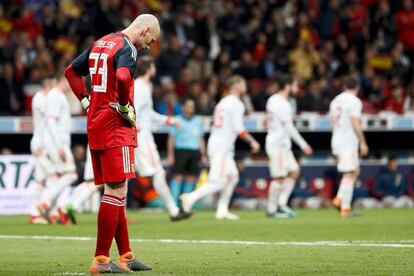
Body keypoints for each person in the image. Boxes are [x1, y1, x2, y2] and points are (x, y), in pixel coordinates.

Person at [65, 14, 160, 274]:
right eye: (151, 40)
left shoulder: (101, 42)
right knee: (116, 192)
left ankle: (126, 255)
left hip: (96, 123)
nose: (148, 46)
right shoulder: (126, 47)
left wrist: (85, 101)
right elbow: (121, 76)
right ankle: (101, 259)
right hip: (116, 127)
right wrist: (123, 105)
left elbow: (71, 72)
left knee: (118, 191)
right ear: (145, 30)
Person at [181, 75, 261, 220]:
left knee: (233, 177)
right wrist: (253, 142)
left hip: (219, 142)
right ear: (236, 86)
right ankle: (191, 197)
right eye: (243, 83)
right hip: (222, 146)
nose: (245, 86)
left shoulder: (223, 102)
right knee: (219, 181)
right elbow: (239, 128)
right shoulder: (236, 103)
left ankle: (222, 210)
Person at [133, 56, 188, 221]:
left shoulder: (144, 86)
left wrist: (168, 120)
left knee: (119, 176)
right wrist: (133, 125)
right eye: (153, 67)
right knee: (157, 172)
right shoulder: (140, 87)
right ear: (148, 69)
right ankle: (173, 210)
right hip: (141, 137)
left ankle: (173, 210)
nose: (155, 69)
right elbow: (132, 108)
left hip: (140, 136)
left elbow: (147, 112)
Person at [265, 75, 313, 218]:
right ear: (287, 86)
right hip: (277, 144)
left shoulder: (275, 100)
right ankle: (271, 209)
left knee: (294, 171)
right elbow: (289, 127)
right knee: (279, 177)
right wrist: (304, 145)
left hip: (283, 145)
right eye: (295, 85)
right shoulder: (282, 103)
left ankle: (282, 203)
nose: (297, 89)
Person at [36, 73, 78, 224]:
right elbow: (51, 122)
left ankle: (52, 210)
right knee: (71, 174)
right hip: (56, 143)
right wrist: (59, 146)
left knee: (60, 177)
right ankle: (44, 201)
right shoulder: (55, 96)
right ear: (64, 80)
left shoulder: (58, 95)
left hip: (57, 142)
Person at [330, 76, 369, 218]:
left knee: (354, 171)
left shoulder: (335, 101)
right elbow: (355, 123)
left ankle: (343, 205)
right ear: (357, 88)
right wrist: (363, 142)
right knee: (350, 172)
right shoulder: (354, 101)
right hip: (348, 141)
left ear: (344, 86)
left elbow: (333, 123)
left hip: (337, 139)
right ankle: (341, 202)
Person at [167, 98, 207, 204]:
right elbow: (171, 139)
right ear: (183, 107)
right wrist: (170, 155)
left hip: (194, 151)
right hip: (181, 150)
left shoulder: (198, 121)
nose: (190, 108)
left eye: (192, 107)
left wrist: (203, 154)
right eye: (188, 106)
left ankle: (185, 203)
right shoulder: (176, 120)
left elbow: (200, 138)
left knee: (191, 178)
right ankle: (173, 203)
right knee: (177, 177)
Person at [29, 77, 55, 224]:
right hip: (41, 143)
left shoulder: (39, 97)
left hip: (41, 141)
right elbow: (46, 121)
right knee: (53, 176)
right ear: (47, 85)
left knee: (40, 179)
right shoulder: (40, 98)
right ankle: (43, 210)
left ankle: (35, 213)